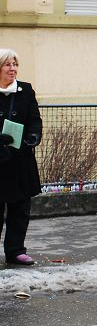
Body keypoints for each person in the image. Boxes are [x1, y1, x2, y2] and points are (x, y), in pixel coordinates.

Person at [0, 49, 42, 266]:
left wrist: (34, 135)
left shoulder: (25, 90)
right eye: (7, 65)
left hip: (21, 161)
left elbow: (35, 119)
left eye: (15, 64)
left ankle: (16, 251)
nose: (13, 69)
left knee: (20, 210)